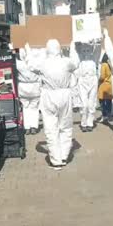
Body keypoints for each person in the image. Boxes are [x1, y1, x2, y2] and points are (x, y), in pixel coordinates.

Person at [31, 39, 79, 170]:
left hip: (49, 95)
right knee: (66, 126)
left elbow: (31, 65)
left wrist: (32, 50)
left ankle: (56, 159)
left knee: (51, 128)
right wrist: (73, 47)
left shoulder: (43, 63)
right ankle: (64, 154)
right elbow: (76, 63)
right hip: (65, 94)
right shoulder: (66, 62)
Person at [17, 44, 45, 135]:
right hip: (35, 86)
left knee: (25, 107)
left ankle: (27, 127)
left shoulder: (19, 63)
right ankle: (33, 126)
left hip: (23, 87)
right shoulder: (36, 64)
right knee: (34, 107)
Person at [74, 41, 101, 132]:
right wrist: (78, 40)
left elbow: (98, 49)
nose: (86, 52)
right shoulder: (80, 59)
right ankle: (83, 123)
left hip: (93, 80)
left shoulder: (94, 59)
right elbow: (76, 48)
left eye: (88, 50)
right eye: (84, 50)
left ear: (91, 50)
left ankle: (90, 123)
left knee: (91, 103)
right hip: (83, 81)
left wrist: (97, 41)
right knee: (84, 104)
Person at [98, 54, 113, 123]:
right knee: (109, 102)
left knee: (102, 102)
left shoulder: (104, 65)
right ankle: (109, 116)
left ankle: (104, 116)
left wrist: (98, 80)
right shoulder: (111, 65)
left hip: (103, 85)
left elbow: (102, 76)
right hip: (110, 85)